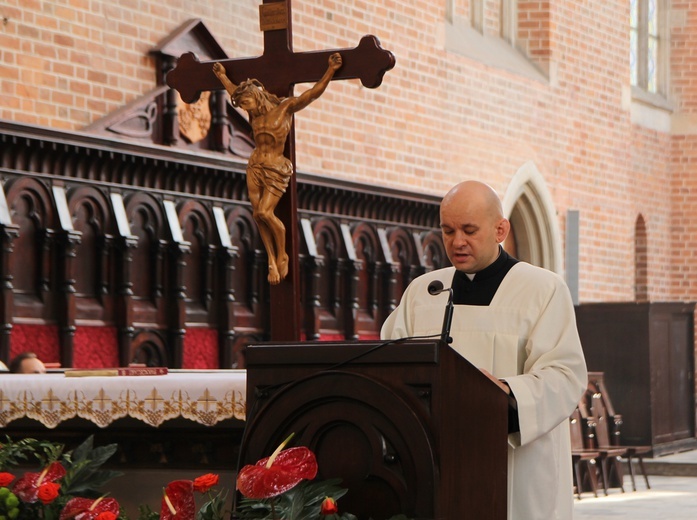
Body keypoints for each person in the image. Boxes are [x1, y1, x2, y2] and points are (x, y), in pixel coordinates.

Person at [381, 180, 587, 520]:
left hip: (515, 471)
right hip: (438, 462)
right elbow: (389, 363)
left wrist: (507, 393)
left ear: (500, 229)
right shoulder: (425, 292)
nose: (456, 241)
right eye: (448, 230)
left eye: (469, 230)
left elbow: (565, 376)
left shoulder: (542, 289)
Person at [213, 53, 343, 285]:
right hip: (255, 165)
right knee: (257, 216)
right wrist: (223, 77)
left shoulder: (284, 108)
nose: (243, 107)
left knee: (265, 212)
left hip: (275, 166)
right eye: (242, 104)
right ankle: (272, 260)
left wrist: (330, 71)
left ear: (256, 96)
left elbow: (312, 94)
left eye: (245, 102)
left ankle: (282, 253)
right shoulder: (254, 111)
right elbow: (235, 91)